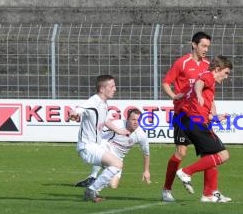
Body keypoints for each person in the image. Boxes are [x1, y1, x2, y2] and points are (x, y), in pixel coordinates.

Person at [161, 31, 212, 202]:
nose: (206, 49)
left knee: (209, 152)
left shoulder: (207, 65)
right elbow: (166, 82)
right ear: (194, 44)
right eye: (203, 46)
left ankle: (209, 193)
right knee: (181, 152)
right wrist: (173, 96)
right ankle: (166, 190)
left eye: (208, 47)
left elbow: (209, 92)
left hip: (200, 115)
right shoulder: (182, 63)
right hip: (182, 114)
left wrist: (212, 111)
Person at [175, 55, 232, 203]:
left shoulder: (208, 80)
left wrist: (215, 117)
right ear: (218, 69)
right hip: (196, 122)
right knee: (223, 155)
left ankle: (209, 194)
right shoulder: (208, 76)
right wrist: (199, 94)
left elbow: (201, 101)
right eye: (226, 73)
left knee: (210, 157)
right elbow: (199, 84)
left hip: (195, 121)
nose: (226, 77)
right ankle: (186, 172)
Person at [69, 75, 130, 203]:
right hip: (87, 146)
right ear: (102, 89)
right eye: (112, 86)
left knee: (115, 168)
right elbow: (79, 109)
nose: (115, 89)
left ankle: (93, 188)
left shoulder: (103, 103)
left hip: (96, 144)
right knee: (117, 164)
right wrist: (74, 114)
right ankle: (91, 190)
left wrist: (118, 130)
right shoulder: (94, 101)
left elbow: (105, 119)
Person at [74, 108, 151, 189]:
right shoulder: (118, 124)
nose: (136, 122)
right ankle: (92, 177)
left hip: (118, 158)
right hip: (107, 148)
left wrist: (146, 171)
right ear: (127, 119)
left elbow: (146, 154)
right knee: (101, 147)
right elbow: (102, 127)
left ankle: (95, 182)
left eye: (138, 120)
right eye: (133, 119)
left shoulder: (141, 135)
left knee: (113, 186)